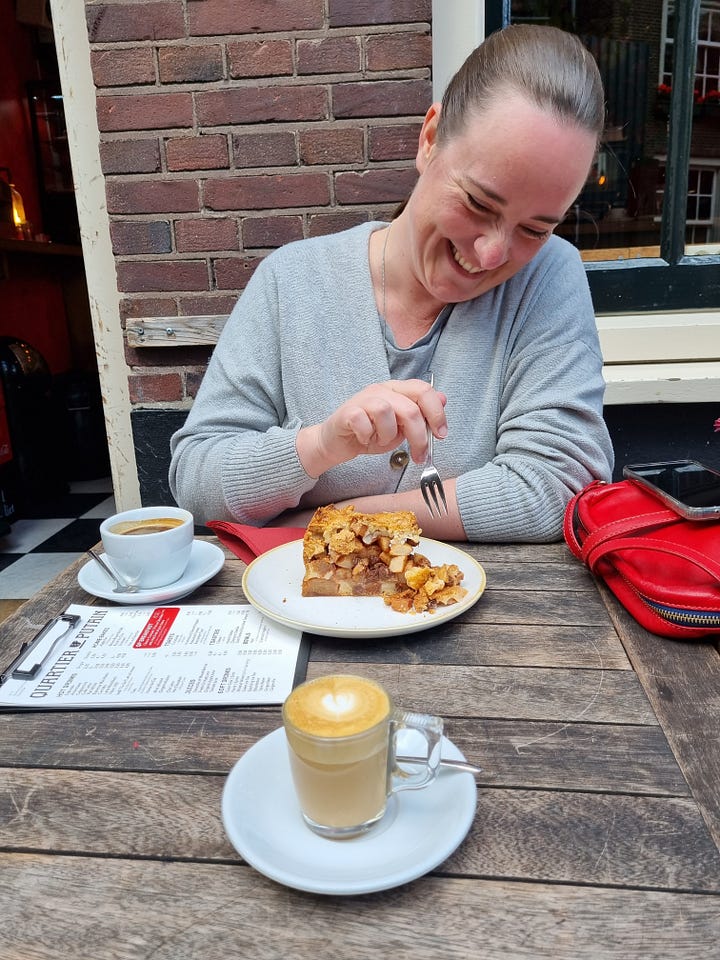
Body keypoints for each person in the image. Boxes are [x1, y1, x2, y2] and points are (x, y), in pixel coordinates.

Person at [169, 24, 614, 542]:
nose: (493, 253)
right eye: (476, 202)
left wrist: (329, 524)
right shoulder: (290, 279)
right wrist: (320, 444)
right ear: (429, 138)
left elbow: (557, 486)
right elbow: (196, 479)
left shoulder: (548, 276)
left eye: (535, 229)